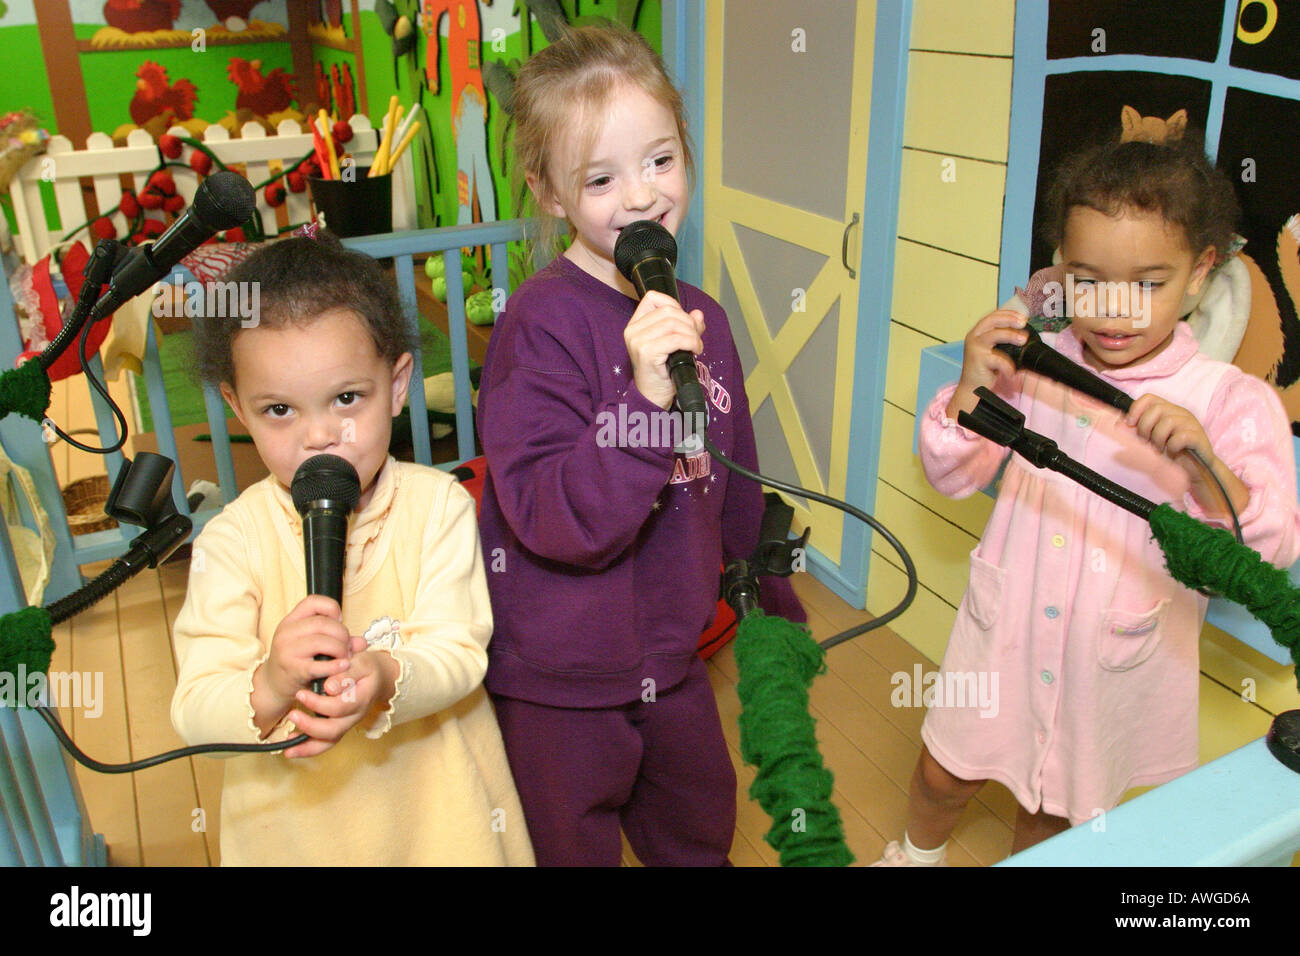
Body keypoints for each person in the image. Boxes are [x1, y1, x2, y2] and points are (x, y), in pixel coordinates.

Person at [879, 136, 1300, 865]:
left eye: (1147, 283)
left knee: (1054, 809)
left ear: (1201, 274)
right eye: (1087, 279)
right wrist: (973, 385)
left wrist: (1208, 473)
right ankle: (913, 855)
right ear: (1060, 269)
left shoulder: (1232, 403)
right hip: (1004, 631)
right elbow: (952, 473)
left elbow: (1269, 552)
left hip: (1115, 662)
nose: (1111, 310)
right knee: (943, 768)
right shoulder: (1036, 361)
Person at [476, 24, 806, 866]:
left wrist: (772, 599)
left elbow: (733, 474)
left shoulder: (704, 318)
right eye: (600, 177)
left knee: (700, 829)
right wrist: (644, 395)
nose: (641, 197)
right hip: (560, 678)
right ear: (549, 194)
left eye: (661, 160)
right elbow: (556, 518)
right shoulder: (536, 328)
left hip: (676, 653)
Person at [171, 231, 533, 866]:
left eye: (346, 398)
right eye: (278, 409)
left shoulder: (437, 507)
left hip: (437, 819)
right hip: (295, 836)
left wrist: (388, 674)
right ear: (236, 408)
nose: (318, 435)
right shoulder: (232, 541)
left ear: (396, 386)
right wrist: (269, 683)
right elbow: (195, 709)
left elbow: (461, 650)